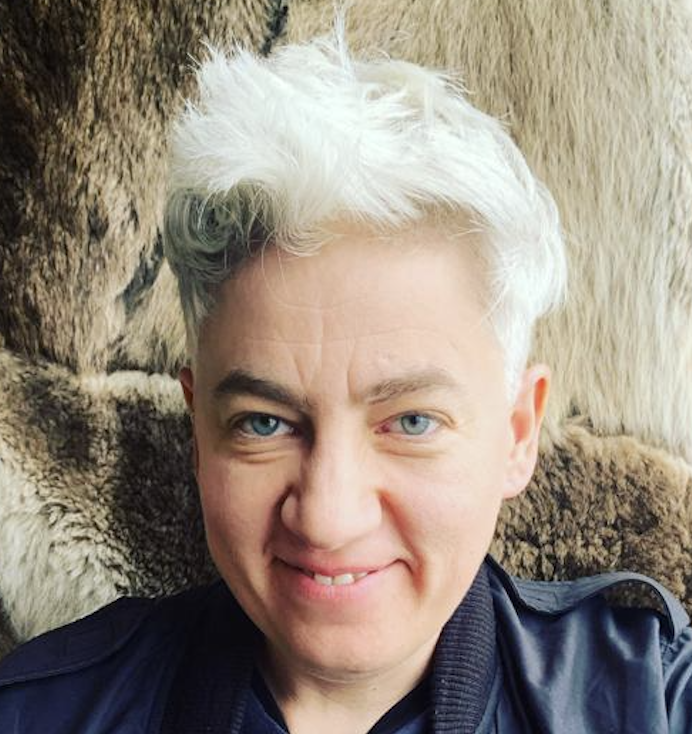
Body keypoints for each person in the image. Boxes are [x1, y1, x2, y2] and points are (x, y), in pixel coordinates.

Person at [1, 22, 691, 734]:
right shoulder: (33, 714)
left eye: (412, 422)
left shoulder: (656, 700)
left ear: (518, 433)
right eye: (264, 423)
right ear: (198, 431)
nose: (327, 520)